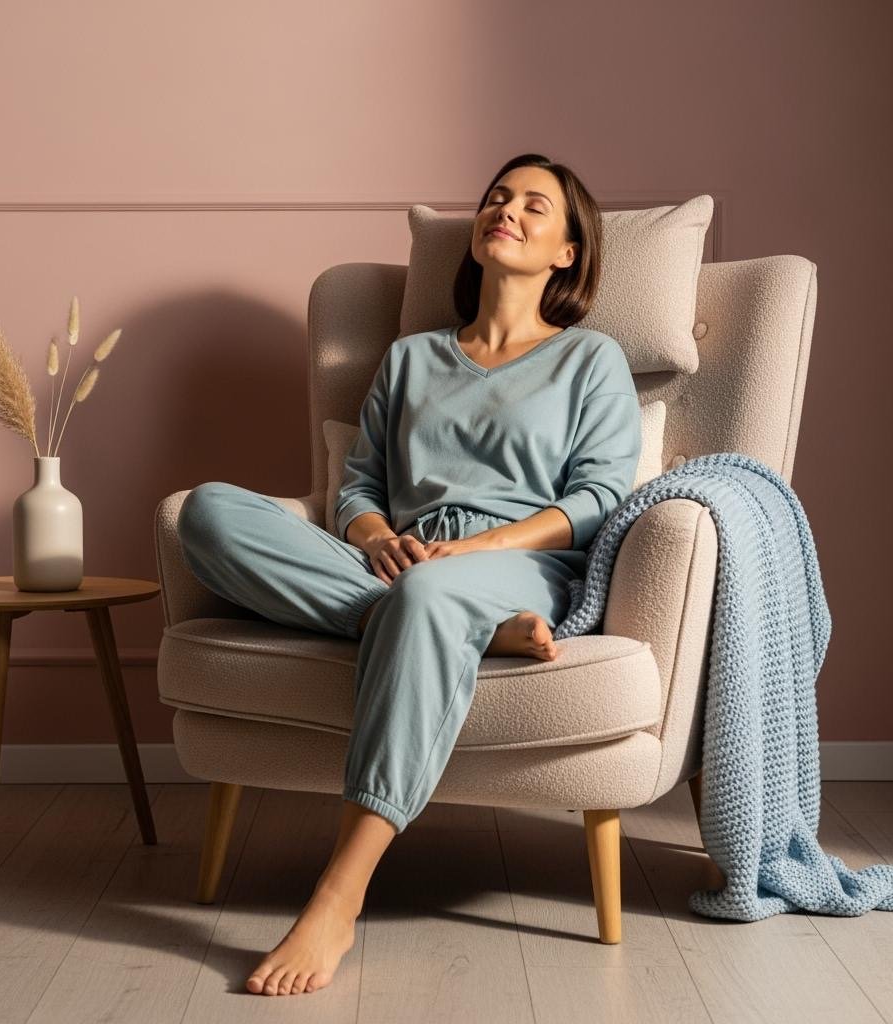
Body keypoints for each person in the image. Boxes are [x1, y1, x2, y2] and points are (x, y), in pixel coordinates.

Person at [177, 153, 643, 997]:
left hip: (525, 568)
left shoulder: (590, 360)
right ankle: (429, 625)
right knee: (207, 510)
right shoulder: (411, 358)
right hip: (400, 559)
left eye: (535, 206)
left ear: (566, 253)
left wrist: (476, 553)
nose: (507, 209)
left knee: (430, 593)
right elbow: (355, 483)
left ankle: (339, 892)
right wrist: (373, 533)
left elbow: (600, 496)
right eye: (498, 198)